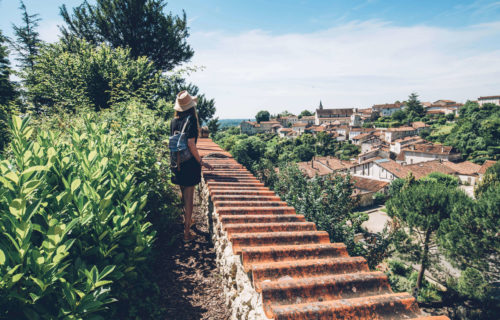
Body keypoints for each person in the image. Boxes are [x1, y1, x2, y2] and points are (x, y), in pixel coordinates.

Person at [170, 90, 213, 241]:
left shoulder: (174, 121)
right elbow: (190, 144)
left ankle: (188, 222)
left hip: (176, 162)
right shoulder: (192, 121)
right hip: (188, 164)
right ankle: (187, 233)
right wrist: (201, 161)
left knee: (183, 196)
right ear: (191, 106)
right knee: (189, 199)